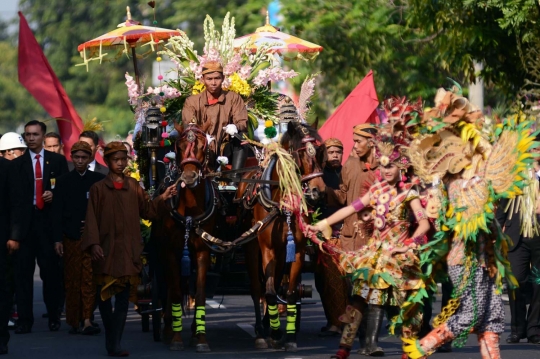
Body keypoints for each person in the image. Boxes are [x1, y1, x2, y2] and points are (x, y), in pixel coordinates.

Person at [308, 101, 430, 359]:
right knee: (358, 300)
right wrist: (324, 223)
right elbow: (349, 209)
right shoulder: (376, 191)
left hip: (400, 255)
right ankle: (344, 350)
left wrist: (410, 243)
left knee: (408, 303)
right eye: (383, 166)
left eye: (390, 167)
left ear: (402, 169)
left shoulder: (409, 193)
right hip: (374, 255)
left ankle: (409, 350)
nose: (384, 171)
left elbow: (424, 223)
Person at [81, 141, 177, 357]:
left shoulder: (134, 186)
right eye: (116, 159)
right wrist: (94, 243)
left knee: (123, 301)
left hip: (127, 252)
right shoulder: (97, 189)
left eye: (124, 159)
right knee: (104, 301)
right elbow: (91, 220)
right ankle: (111, 339)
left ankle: (114, 343)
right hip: (104, 252)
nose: (121, 163)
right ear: (107, 161)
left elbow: (149, 211)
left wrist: (163, 198)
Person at [9, 120, 69, 334]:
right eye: (27, 134)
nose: (31, 138)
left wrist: (55, 194)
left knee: (51, 274)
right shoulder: (17, 164)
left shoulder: (58, 161)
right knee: (23, 275)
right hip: (25, 226)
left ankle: (54, 316)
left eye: (35, 134)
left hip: (48, 224)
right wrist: (13, 234)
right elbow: (13, 199)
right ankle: (25, 320)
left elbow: (65, 192)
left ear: (43, 136)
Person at [53, 141, 105, 335]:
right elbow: (56, 213)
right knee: (72, 279)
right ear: (71, 158)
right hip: (70, 237)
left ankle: (87, 319)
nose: (80, 161)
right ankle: (74, 320)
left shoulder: (98, 180)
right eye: (77, 157)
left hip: (92, 239)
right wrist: (57, 239)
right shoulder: (63, 181)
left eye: (84, 157)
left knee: (90, 280)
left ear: (90, 158)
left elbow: (104, 211)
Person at [180, 61, 248, 178]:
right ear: (202, 79)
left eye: (217, 78)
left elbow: (242, 121)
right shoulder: (192, 101)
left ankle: (234, 179)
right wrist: (201, 135)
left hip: (225, 148)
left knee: (241, 139)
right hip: (201, 147)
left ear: (223, 78)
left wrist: (236, 127)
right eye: (209, 79)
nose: (213, 82)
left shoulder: (233, 98)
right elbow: (188, 124)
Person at [325, 124, 378, 251]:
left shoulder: (386, 168)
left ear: (371, 142)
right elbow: (343, 197)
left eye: (358, 141)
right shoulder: (350, 165)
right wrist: (324, 190)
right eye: (354, 141)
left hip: (376, 239)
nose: (354, 146)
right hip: (350, 238)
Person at [316, 138, 347, 337]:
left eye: (338, 152)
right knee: (321, 282)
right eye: (331, 152)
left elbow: (346, 198)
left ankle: (339, 323)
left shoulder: (346, 173)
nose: (335, 155)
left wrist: (323, 190)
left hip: (342, 233)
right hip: (319, 233)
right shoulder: (318, 174)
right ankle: (331, 320)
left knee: (337, 279)